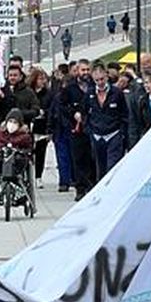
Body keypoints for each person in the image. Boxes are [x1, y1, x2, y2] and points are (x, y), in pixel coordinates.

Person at [80, 61, 130, 179]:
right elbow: (84, 113)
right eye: (97, 80)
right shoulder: (90, 93)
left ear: (107, 76)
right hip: (97, 136)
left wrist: (121, 133)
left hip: (114, 135)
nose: (100, 83)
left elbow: (124, 114)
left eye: (102, 79)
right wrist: (89, 130)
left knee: (112, 168)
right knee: (100, 170)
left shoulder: (117, 93)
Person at [64, 59, 97, 200]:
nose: (85, 73)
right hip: (76, 130)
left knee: (92, 158)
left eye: (87, 70)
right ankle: (80, 187)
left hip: (92, 128)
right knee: (78, 159)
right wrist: (73, 114)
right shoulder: (70, 88)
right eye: (83, 70)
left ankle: (92, 185)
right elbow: (63, 106)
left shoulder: (94, 86)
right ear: (77, 71)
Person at [46, 66, 75, 193]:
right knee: (63, 156)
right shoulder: (58, 98)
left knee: (71, 156)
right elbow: (52, 113)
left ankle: (70, 179)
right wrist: (50, 129)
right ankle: (65, 180)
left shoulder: (72, 97)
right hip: (61, 130)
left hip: (71, 130)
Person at [26, 67, 53, 183]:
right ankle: (28, 174)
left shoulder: (48, 94)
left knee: (41, 153)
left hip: (42, 126)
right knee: (28, 152)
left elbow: (51, 109)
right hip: (30, 125)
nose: (43, 81)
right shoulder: (28, 92)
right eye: (40, 79)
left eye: (44, 79)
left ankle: (38, 176)